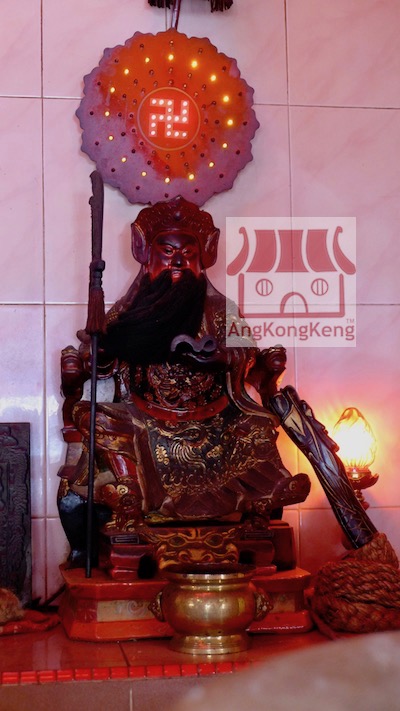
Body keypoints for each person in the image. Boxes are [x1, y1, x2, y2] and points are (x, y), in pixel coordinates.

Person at [58, 196, 310, 565]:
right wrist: (86, 360)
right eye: (167, 251)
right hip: (145, 421)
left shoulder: (221, 309)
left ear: (202, 257)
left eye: (187, 253)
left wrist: (220, 357)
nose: (177, 261)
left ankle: (263, 498)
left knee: (258, 425)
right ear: (148, 256)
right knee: (93, 416)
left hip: (214, 422)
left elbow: (247, 355)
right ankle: (130, 495)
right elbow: (102, 358)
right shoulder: (131, 308)